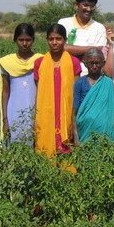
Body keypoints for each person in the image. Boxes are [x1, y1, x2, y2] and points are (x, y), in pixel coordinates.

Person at [34, 23, 82, 158]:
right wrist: (35, 118)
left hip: (67, 113)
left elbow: (76, 93)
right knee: (45, 147)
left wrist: (73, 120)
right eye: (51, 39)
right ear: (47, 40)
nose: (54, 42)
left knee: (67, 150)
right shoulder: (40, 63)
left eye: (58, 39)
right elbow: (39, 93)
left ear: (65, 40)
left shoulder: (73, 62)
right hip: (46, 114)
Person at [0, 23, 43, 146]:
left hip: (36, 112)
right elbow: (5, 92)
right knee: (14, 148)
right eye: (21, 40)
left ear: (33, 40)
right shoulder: (8, 62)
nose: (24, 44)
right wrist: (5, 120)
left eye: (28, 40)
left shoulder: (41, 61)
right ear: (15, 40)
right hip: (13, 112)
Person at [72, 48, 114, 145]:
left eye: (97, 63)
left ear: (103, 63)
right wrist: (75, 137)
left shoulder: (108, 83)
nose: (94, 66)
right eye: (90, 63)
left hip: (107, 133)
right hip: (85, 131)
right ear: (84, 63)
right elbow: (74, 113)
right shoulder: (79, 83)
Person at [58, 0, 107, 75]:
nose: (88, 9)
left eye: (92, 6)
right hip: (66, 72)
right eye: (85, 5)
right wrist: (93, 49)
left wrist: (72, 51)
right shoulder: (64, 23)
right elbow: (61, 48)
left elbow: (99, 54)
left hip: (90, 76)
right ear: (76, 5)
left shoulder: (99, 28)